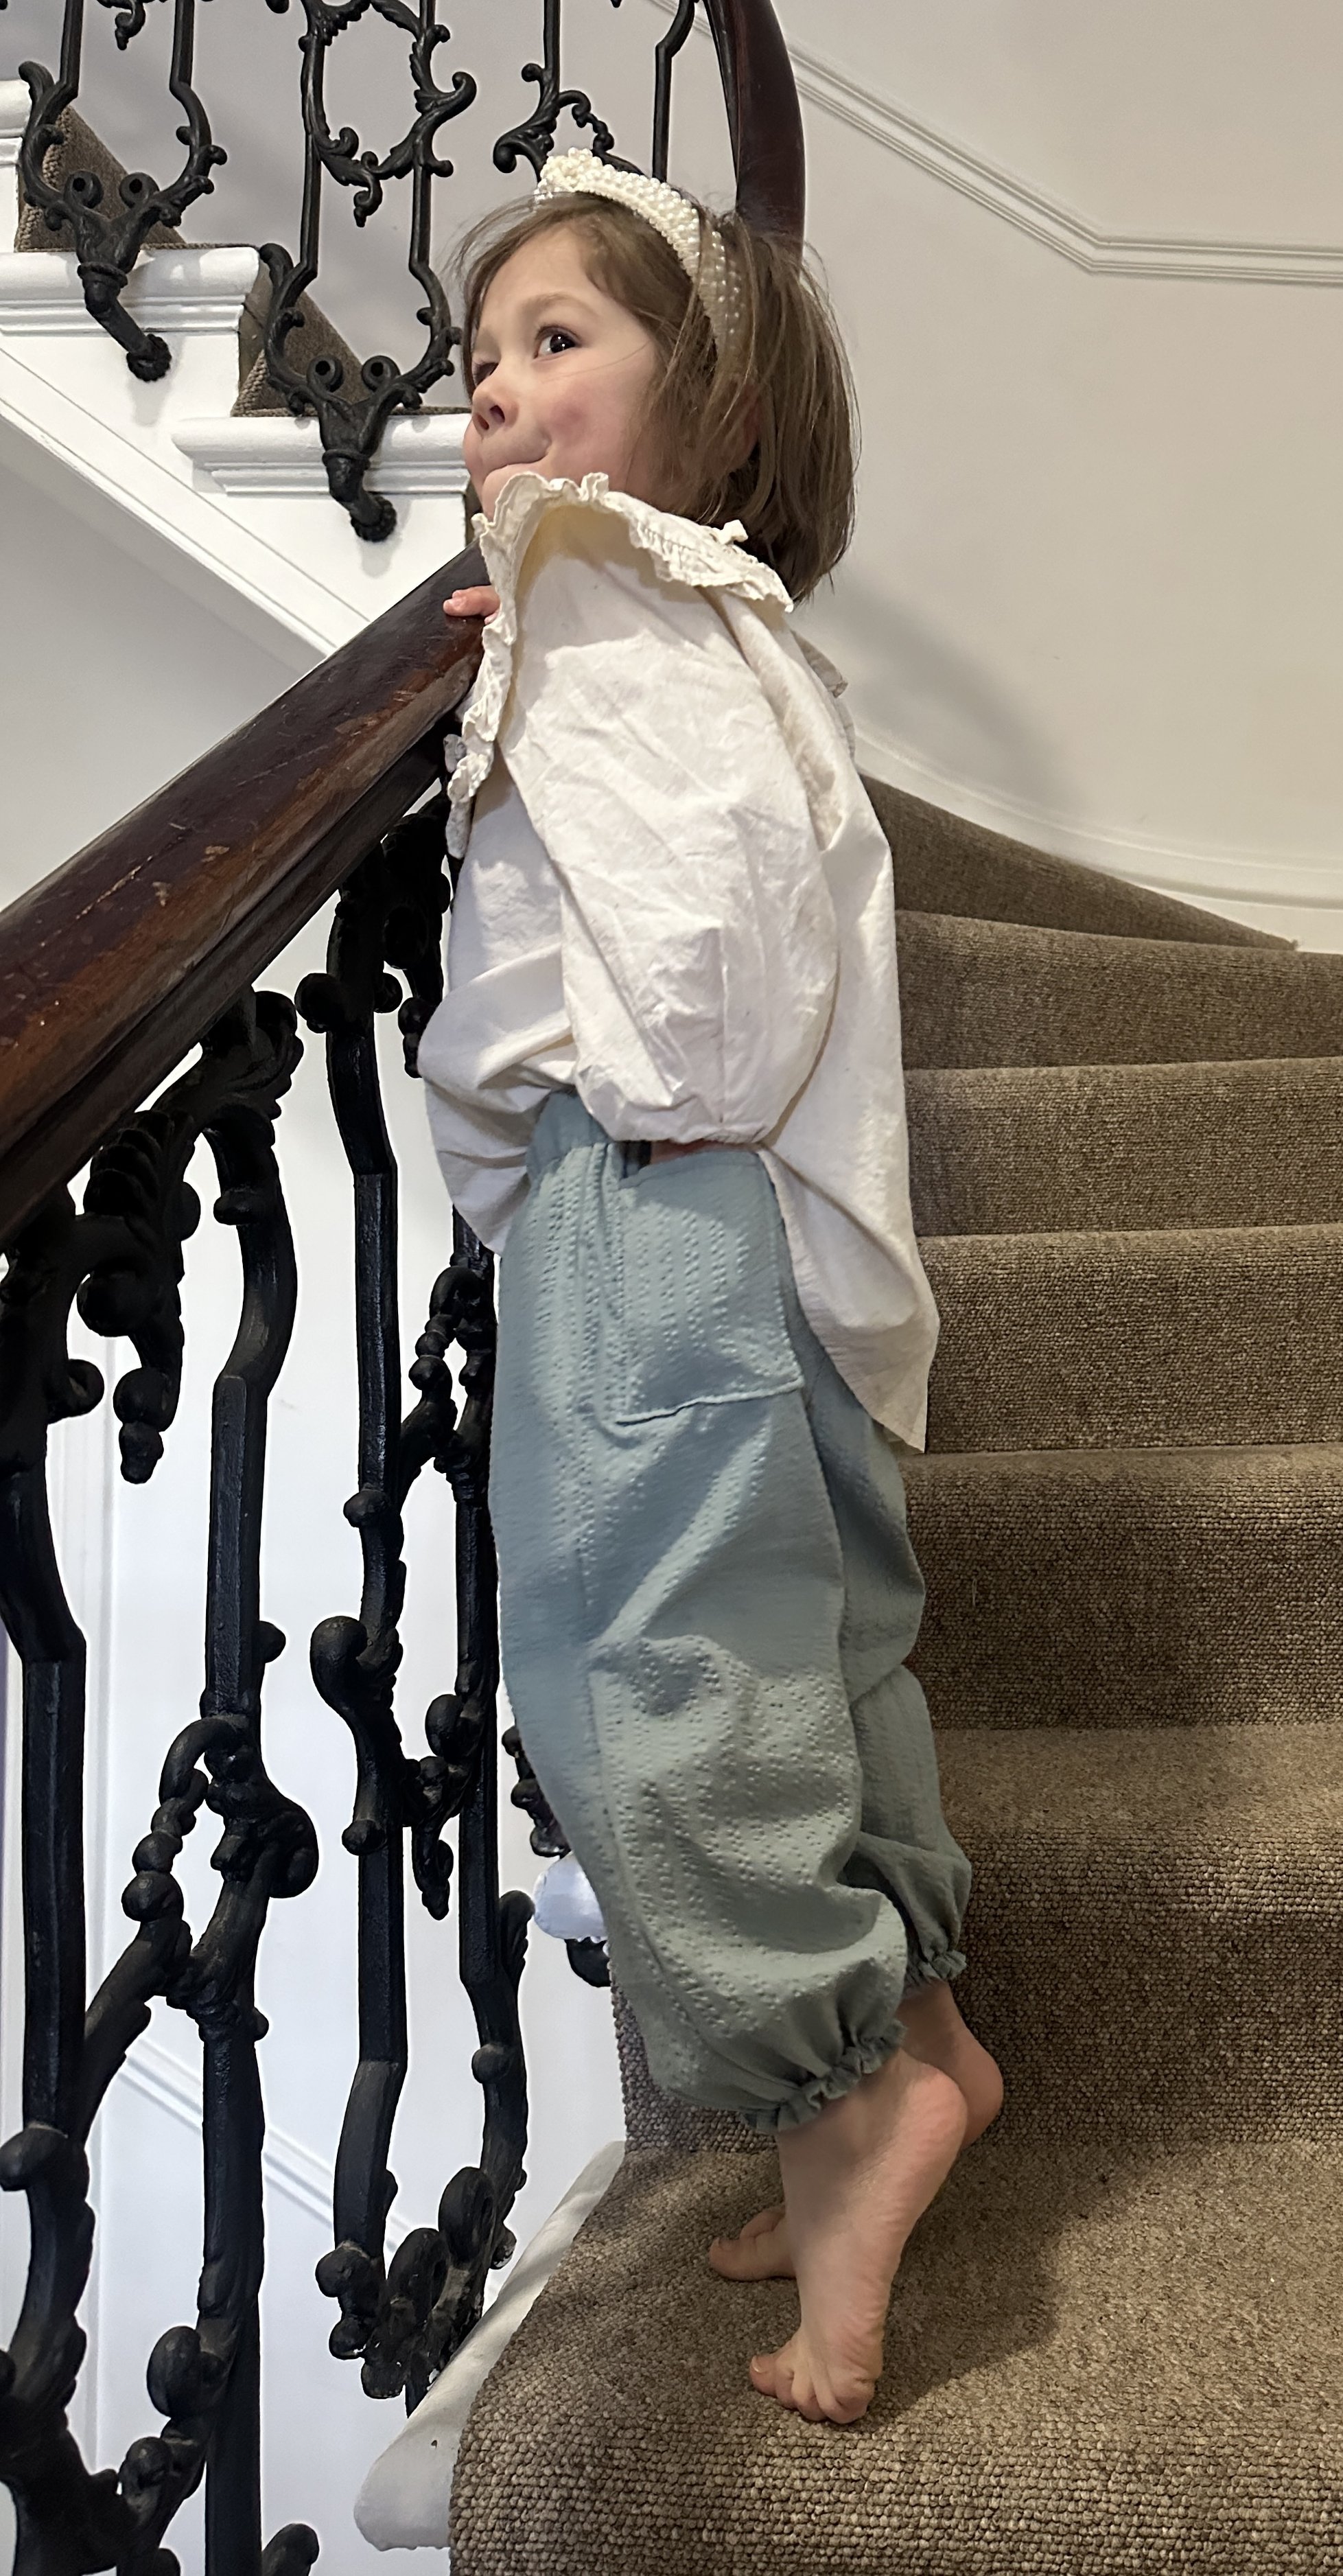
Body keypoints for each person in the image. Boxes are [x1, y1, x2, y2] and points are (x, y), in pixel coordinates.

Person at [417, 149, 1003, 2426]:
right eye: (482, 364)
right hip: (774, 1233)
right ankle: (916, 2031)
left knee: (646, 1680)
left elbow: (693, 951)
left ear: (718, 407)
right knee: (814, 1656)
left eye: (559, 345)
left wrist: (572, 1138)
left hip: (655, 1192)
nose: (497, 399)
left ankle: (850, 2103)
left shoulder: (588, 582)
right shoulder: (713, 618)